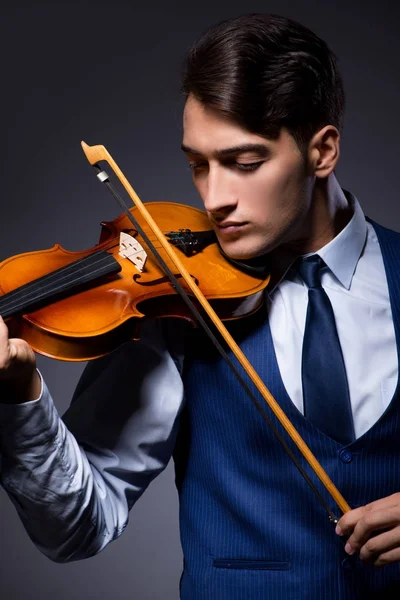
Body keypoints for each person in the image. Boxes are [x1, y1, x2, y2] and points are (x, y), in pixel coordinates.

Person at [1, 12, 400, 599]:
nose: (214, 198)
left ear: (322, 151)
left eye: (244, 164)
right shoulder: (176, 306)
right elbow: (77, 527)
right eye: (197, 164)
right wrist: (21, 402)